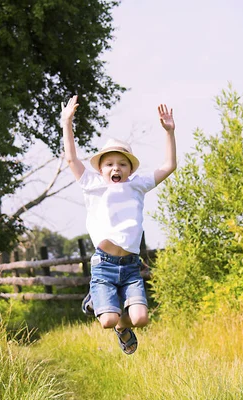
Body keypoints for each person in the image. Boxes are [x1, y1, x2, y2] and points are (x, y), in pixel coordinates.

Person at [61, 95, 176, 355]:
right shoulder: (93, 185)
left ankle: (123, 328)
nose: (116, 168)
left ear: (130, 170)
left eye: (122, 164)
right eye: (110, 163)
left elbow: (169, 166)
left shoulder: (137, 185)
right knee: (107, 321)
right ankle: (99, 303)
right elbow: (71, 159)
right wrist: (67, 122)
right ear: (101, 169)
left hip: (131, 266)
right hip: (104, 265)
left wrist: (169, 132)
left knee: (141, 319)